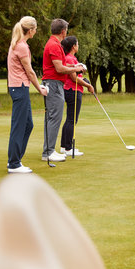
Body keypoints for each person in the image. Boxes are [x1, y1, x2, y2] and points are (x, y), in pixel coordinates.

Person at [7, 16, 48, 173]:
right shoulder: (22, 46)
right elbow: (30, 72)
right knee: (19, 126)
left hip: (19, 88)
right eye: (35, 29)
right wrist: (40, 89)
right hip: (20, 88)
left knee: (28, 124)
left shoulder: (17, 44)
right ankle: (14, 164)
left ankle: (15, 159)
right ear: (30, 30)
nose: (36, 32)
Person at [41, 19, 83, 162]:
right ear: (63, 31)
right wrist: (75, 68)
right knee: (54, 118)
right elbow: (59, 68)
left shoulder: (55, 44)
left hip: (55, 84)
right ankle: (48, 152)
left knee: (53, 118)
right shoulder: (53, 45)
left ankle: (49, 150)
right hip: (53, 84)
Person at [59, 36, 94, 156]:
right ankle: (68, 148)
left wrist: (84, 80)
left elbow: (77, 76)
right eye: (77, 44)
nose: (78, 46)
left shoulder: (72, 58)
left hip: (72, 90)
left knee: (70, 119)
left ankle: (64, 147)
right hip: (72, 91)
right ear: (74, 46)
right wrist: (88, 86)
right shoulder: (70, 59)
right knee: (72, 120)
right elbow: (73, 78)